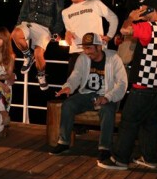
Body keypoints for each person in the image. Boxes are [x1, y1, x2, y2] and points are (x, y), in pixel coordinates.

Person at [98, 0, 157, 170]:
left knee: (129, 121)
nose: (140, 9)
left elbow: (125, 30)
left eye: (143, 7)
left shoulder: (148, 27)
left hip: (143, 85)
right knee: (149, 123)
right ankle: (150, 158)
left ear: (151, 10)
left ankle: (120, 159)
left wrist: (131, 17)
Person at [49, 33, 128, 161]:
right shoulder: (83, 58)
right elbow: (75, 76)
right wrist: (68, 86)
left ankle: (105, 148)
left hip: (108, 94)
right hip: (87, 94)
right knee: (68, 104)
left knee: (107, 110)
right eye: (84, 48)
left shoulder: (113, 58)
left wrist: (107, 97)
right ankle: (64, 142)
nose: (86, 51)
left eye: (89, 48)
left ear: (99, 47)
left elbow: (122, 83)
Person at [11, 0, 64, 90]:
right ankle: (28, 56)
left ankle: (41, 74)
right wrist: (18, 25)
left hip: (44, 28)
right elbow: (23, 12)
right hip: (28, 23)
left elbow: (59, 19)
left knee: (39, 53)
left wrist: (55, 33)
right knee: (15, 34)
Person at [62, 0, 118, 75]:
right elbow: (69, 31)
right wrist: (67, 34)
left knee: (96, 83)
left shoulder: (95, 3)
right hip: (76, 53)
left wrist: (109, 36)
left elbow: (113, 18)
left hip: (96, 53)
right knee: (73, 83)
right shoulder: (65, 12)